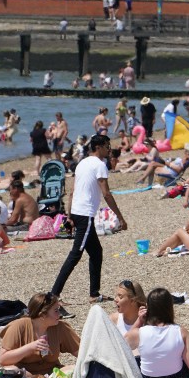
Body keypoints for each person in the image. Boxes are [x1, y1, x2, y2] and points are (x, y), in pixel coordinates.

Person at [51, 135, 127, 314]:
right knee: (75, 255)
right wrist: (120, 218)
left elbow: (73, 191)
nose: (109, 149)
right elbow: (106, 194)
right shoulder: (99, 165)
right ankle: (53, 295)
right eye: (107, 146)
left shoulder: (82, 163)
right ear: (99, 146)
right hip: (84, 215)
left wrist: (70, 215)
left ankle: (94, 293)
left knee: (96, 252)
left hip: (79, 213)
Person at [123, 288, 189, 378]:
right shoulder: (181, 332)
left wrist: (139, 321)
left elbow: (121, 346)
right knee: (185, 360)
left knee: (136, 361)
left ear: (149, 308)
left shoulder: (139, 333)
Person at [0, 292, 81, 376]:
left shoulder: (61, 327)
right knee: (9, 371)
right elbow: (3, 360)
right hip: (26, 376)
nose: (60, 314)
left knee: (78, 371)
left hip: (53, 374)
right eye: (56, 311)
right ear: (42, 315)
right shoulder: (18, 326)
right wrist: (30, 347)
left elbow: (80, 353)